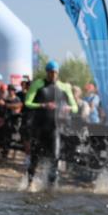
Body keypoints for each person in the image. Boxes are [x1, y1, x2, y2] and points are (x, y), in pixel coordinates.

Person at [23, 60, 77, 190]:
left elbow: (75, 107)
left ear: (58, 73)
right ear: (47, 72)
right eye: (51, 72)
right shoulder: (38, 84)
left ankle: (50, 187)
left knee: (55, 158)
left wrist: (68, 108)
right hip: (39, 127)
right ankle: (30, 184)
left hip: (55, 129)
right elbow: (27, 102)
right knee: (35, 158)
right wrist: (43, 105)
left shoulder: (64, 87)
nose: (53, 75)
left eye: (55, 72)